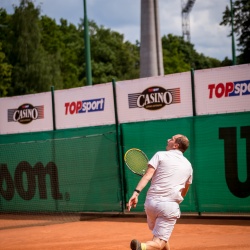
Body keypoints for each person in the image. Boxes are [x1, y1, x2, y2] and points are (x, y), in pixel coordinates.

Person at [127, 134, 193, 250]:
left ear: (176, 145)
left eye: (171, 139)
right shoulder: (188, 166)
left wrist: (136, 193)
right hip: (169, 206)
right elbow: (185, 190)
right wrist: (173, 204)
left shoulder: (160, 155)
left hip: (150, 205)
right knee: (158, 243)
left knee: (161, 237)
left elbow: (148, 175)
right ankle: (142, 247)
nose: (168, 140)